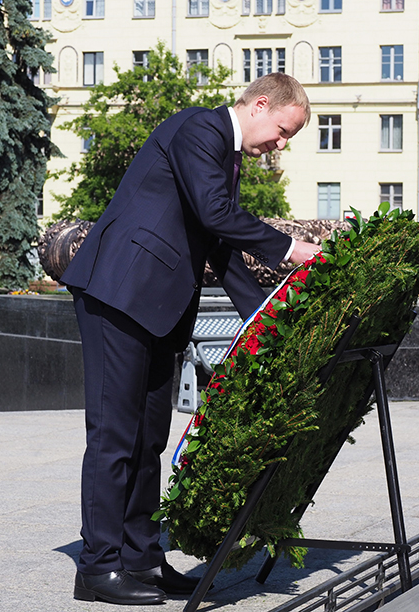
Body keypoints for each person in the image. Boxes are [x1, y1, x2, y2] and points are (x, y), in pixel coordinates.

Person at [60, 73, 321, 605]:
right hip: (119, 295)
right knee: (114, 437)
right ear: (261, 105)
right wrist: (289, 248)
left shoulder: (224, 157)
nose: (280, 145)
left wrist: (264, 318)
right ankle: (97, 567)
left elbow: (217, 241)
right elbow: (216, 215)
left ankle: (141, 558)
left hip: (154, 309)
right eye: (282, 131)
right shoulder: (200, 128)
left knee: (149, 439)